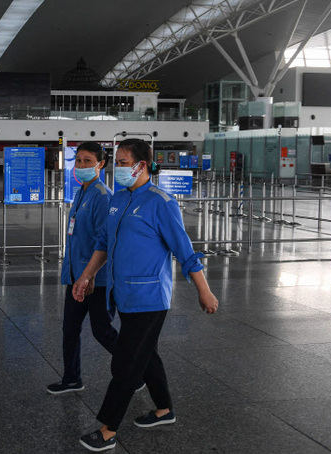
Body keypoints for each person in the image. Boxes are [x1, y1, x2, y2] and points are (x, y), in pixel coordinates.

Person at [73, 139, 219, 452]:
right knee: (145, 353)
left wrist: (204, 291)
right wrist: (86, 276)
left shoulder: (160, 202)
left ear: (143, 164)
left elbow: (184, 251)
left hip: (150, 297)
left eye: (125, 162)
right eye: (118, 162)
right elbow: (102, 243)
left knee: (126, 363)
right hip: (123, 294)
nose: (119, 168)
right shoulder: (118, 200)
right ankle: (164, 409)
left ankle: (108, 429)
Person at [47, 142, 117, 395]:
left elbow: (105, 242)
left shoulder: (102, 195)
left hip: (96, 279)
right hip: (75, 275)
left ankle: (136, 370)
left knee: (102, 331)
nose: (81, 165)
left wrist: (89, 276)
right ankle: (71, 378)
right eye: (78, 160)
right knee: (70, 329)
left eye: (88, 161)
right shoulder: (81, 192)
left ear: (101, 163)